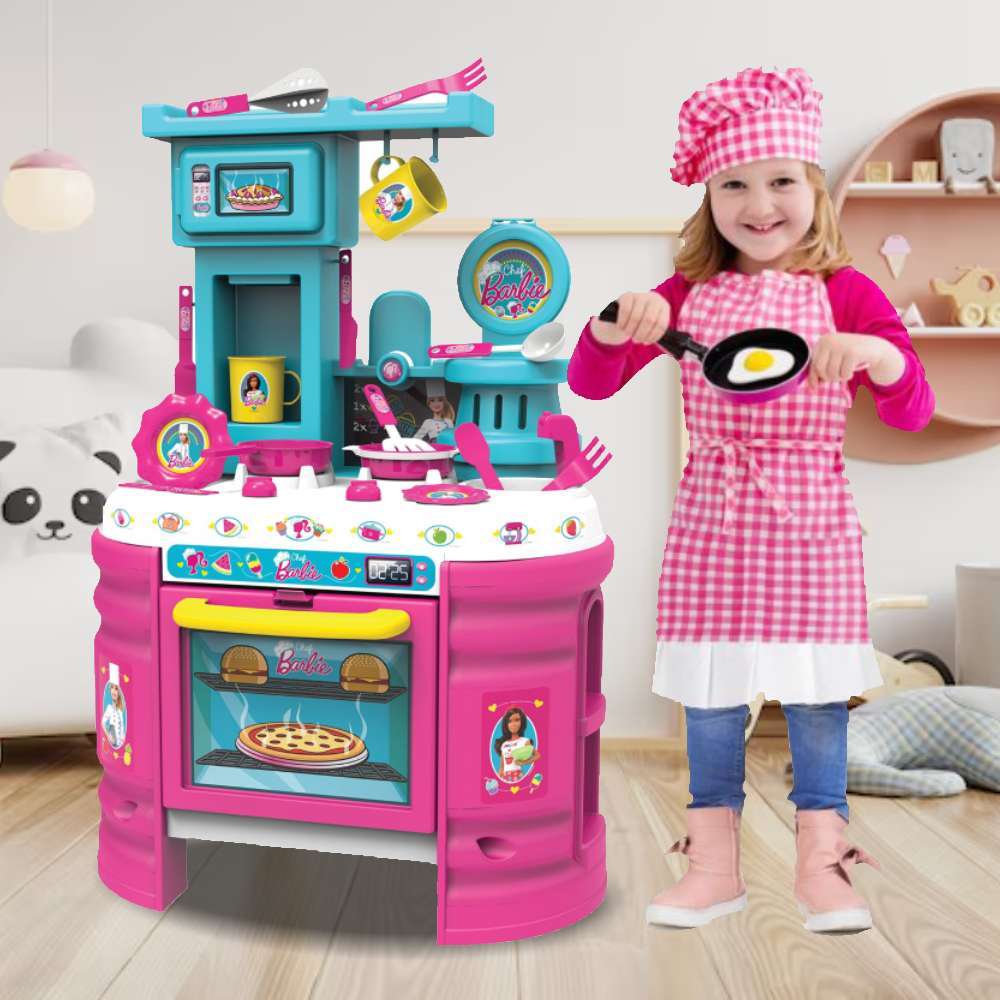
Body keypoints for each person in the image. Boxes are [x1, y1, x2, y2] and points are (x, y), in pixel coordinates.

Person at [567, 67, 934, 934]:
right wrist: (616, 322)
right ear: (709, 198)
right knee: (711, 697)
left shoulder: (847, 291)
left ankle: (822, 864)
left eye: (780, 182)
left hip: (811, 520)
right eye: (733, 184)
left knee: (816, 699)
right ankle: (713, 866)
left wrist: (880, 357)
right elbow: (591, 379)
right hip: (716, 515)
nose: (759, 205)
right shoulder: (686, 294)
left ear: (814, 190)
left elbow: (912, 408)